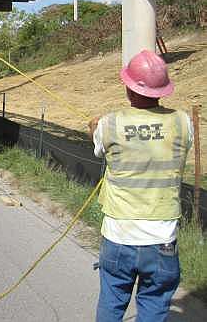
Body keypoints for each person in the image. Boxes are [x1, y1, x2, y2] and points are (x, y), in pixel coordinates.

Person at [90, 50, 193, 322]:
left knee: (111, 303)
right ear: (163, 90)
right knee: (154, 306)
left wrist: (94, 129)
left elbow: (99, 147)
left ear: (129, 88)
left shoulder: (108, 123)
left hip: (118, 236)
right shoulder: (183, 122)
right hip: (162, 238)